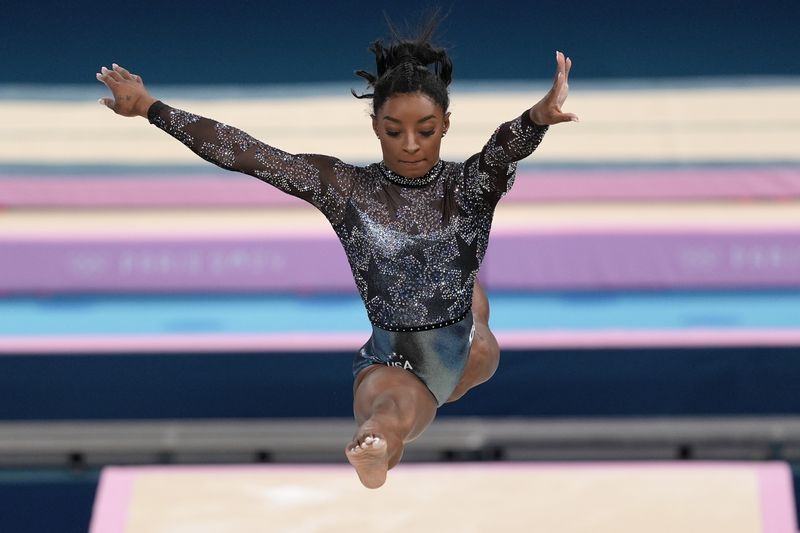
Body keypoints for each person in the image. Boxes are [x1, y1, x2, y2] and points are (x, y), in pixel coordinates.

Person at [96, 21, 576, 489]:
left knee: (473, 323)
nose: (410, 145)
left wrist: (537, 118)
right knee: (389, 415)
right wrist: (150, 108)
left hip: (466, 339)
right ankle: (374, 452)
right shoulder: (347, 189)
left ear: (446, 125)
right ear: (375, 126)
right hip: (395, 355)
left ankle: (445, 360)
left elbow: (501, 149)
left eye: (426, 131)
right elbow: (250, 154)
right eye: (393, 131)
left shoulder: (467, 187)